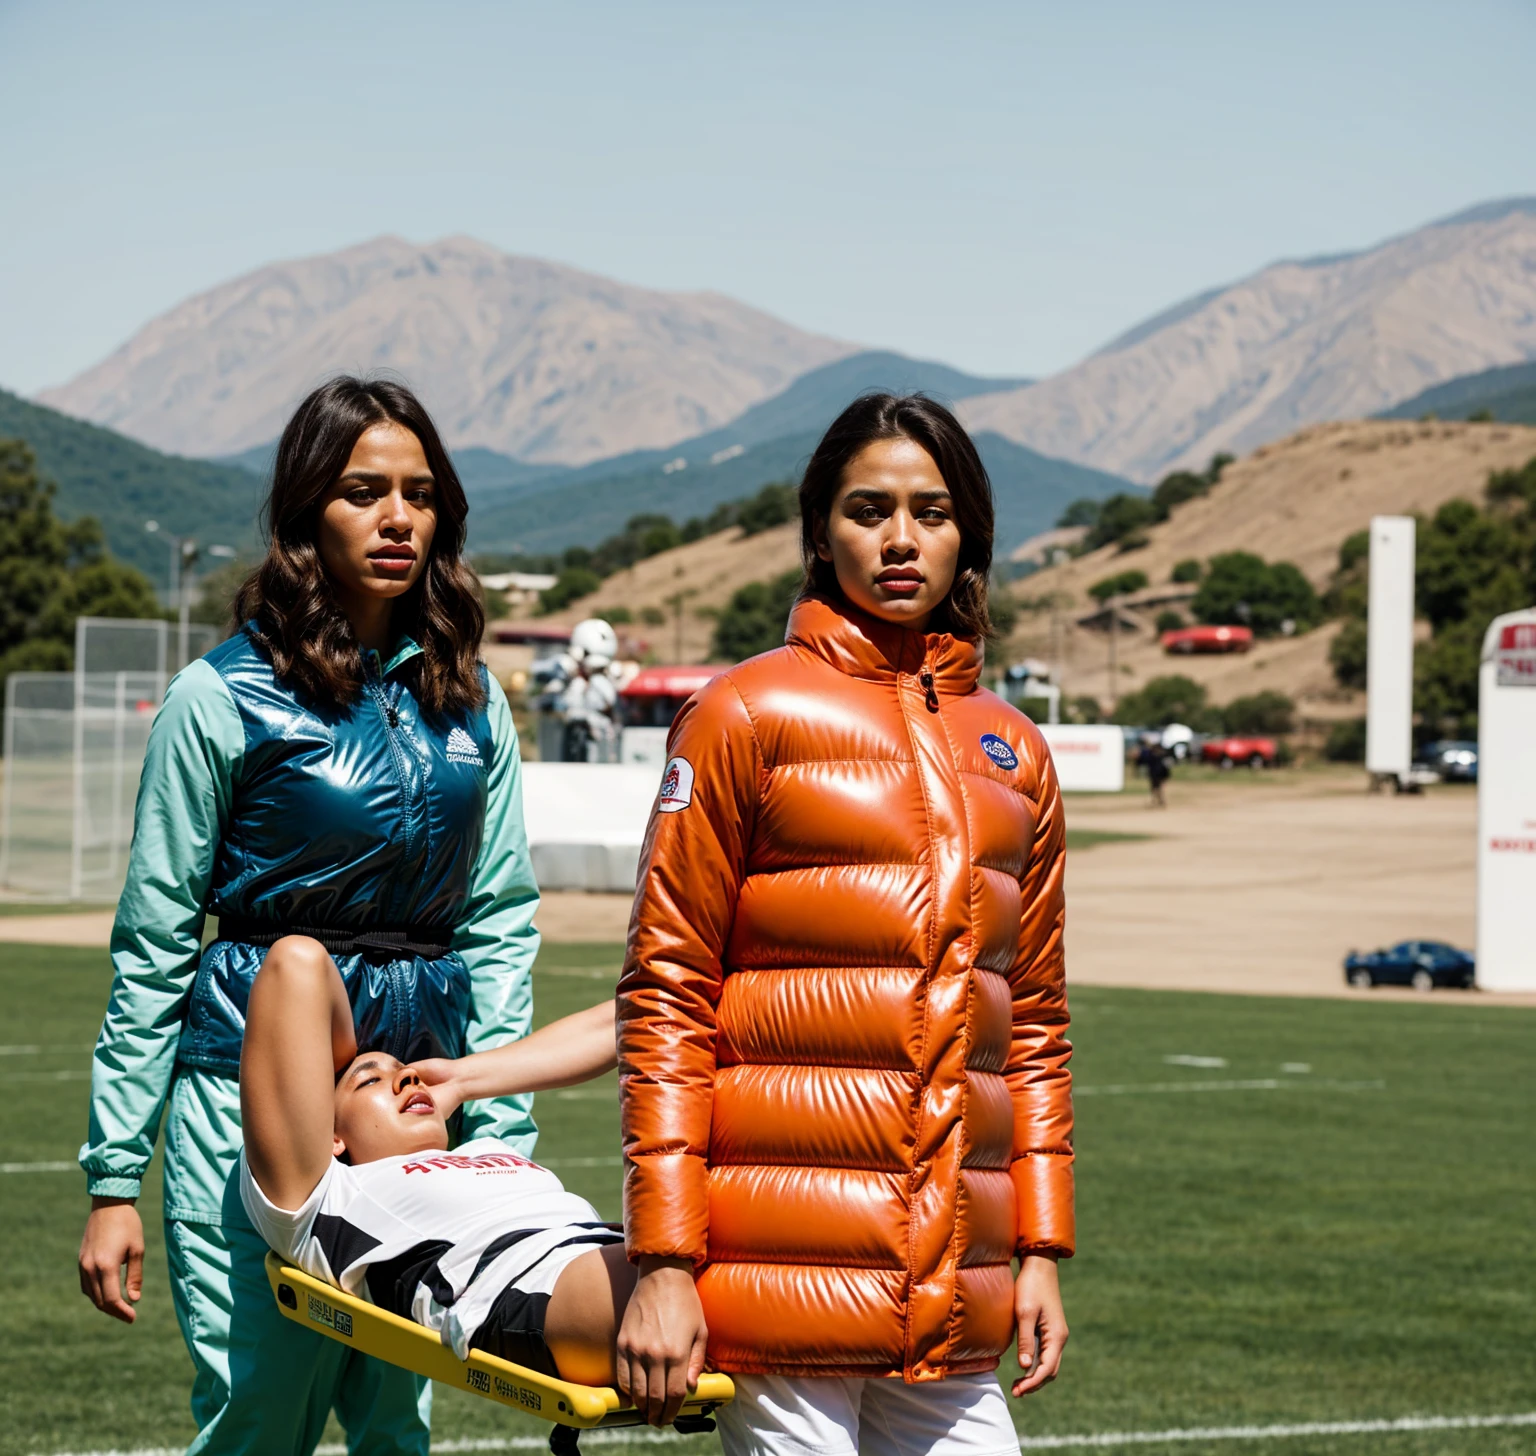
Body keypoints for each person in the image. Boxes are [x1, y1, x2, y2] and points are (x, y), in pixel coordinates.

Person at [77, 377, 541, 1456]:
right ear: (303, 514)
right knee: (259, 1421)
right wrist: (112, 1181)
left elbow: (502, 919)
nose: (396, 518)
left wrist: (500, 1131)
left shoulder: (474, 699)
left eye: (419, 494)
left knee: (395, 1426)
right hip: (244, 1103)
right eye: (362, 490)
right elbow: (152, 945)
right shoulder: (218, 697)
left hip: (411, 1116)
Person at [615, 393, 1075, 1452]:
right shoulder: (742, 713)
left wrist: (1040, 1247)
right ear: (821, 531)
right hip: (776, 1303)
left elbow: (1035, 1024)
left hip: (952, 1306)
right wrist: (666, 1266)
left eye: (933, 511)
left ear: (972, 537)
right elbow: (668, 997)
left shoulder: (1016, 751)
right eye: (870, 509)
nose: (903, 538)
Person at [238, 936, 630, 1386]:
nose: (408, 1075)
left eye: (409, 1072)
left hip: (620, 1249)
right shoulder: (324, 1198)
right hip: (530, 1285)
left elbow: (644, 1014)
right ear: (332, 1137)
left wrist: (461, 1080)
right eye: (370, 1082)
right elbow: (296, 963)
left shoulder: (488, 1149)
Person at [1138, 734, 1170, 808]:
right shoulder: (1150, 753)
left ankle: (1159, 801)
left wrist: (1166, 775)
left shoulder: (1160, 753)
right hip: (1154, 773)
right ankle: (1157, 801)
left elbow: (1165, 765)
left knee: (1158, 788)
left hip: (1160, 773)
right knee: (1154, 788)